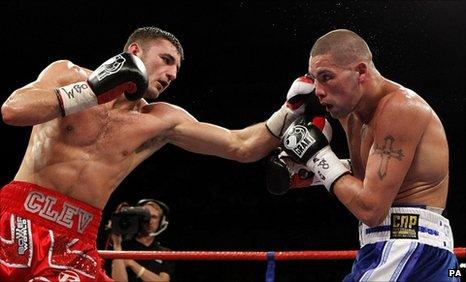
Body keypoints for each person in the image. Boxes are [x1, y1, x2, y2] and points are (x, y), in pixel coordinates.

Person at [0, 26, 317, 281]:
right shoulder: (68, 74)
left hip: (76, 241)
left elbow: (241, 145)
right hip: (16, 216)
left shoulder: (160, 120)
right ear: (134, 52)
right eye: (166, 60)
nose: (173, 73)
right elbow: (13, 110)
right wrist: (92, 91)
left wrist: (289, 109)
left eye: (177, 68)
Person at [279, 29, 459, 281]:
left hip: (408, 251)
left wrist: (319, 155)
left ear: (361, 72)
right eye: (314, 80)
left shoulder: (400, 108)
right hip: (390, 252)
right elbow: (372, 173)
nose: (318, 91)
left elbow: (371, 208)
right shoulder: (351, 115)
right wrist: (310, 171)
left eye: (326, 77)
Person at [109, 199, 174, 282]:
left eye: (154, 217)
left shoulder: (165, 253)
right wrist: (117, 245)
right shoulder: (122, 247)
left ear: (160, 222)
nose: (149, 220)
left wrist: (131, 263)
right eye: (145, 216)